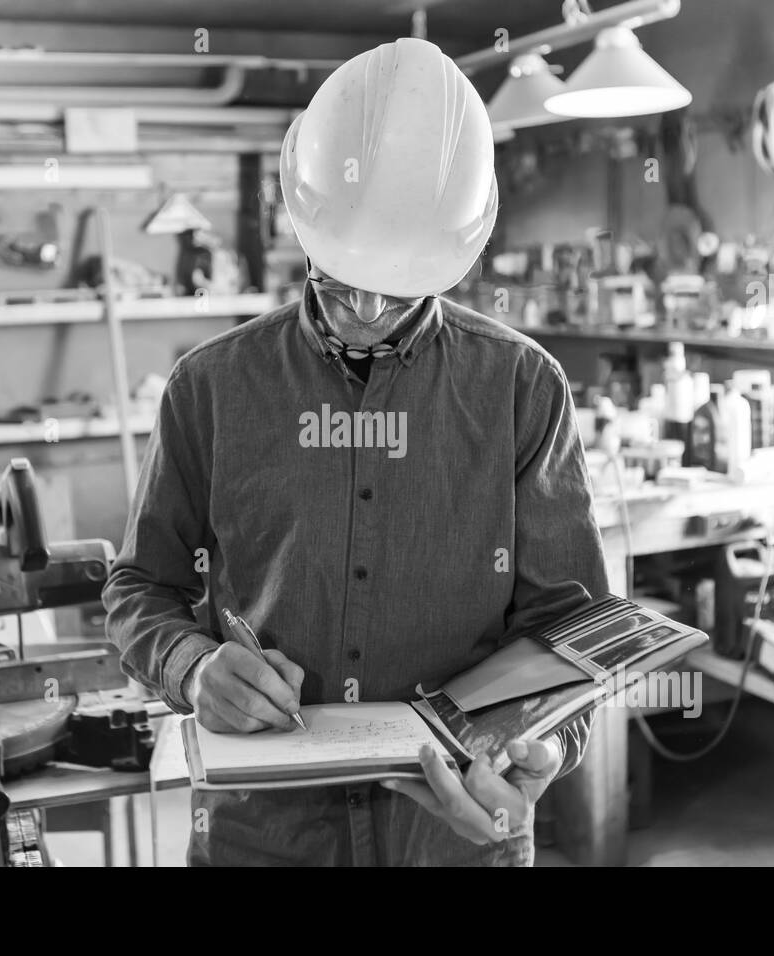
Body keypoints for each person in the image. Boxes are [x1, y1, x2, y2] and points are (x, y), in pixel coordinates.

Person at [104, 36, 608, 866]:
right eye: (341, 278)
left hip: (455, 834)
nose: (367, 307)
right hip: (264, 834)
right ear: (301, 221)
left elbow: (570, 626)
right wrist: (193, 668)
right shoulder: (210, 388)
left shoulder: (523, 389)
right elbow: (139, 586)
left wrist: (544, 745)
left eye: (399, 285)